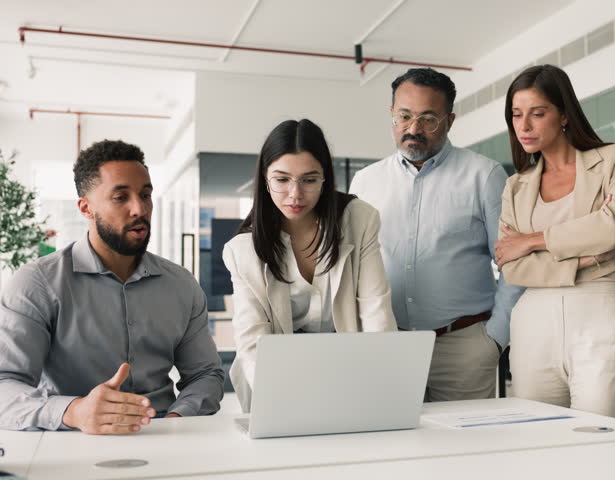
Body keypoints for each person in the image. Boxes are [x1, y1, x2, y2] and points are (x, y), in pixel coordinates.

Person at [0, 140, 224, 433]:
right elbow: (5, 386)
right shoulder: (36, 283)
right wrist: (74, 411)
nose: (139, 209)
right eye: (121, 197)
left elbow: (205, 375)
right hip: (68, 444)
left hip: (165, 441)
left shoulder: (181, 284)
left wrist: (177, 420)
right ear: (85, 208)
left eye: (146, 195)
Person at [350, 68, 524, 401]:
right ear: (392, 114)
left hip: (463, 347)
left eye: (428, 119)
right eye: (404, 116)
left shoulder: (484, 175)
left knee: (464, 451)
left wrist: (495, 338)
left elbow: (513, 263)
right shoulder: (365, 183)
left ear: (450, 120)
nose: (413, 129)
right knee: (395, 447)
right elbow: (354, 268)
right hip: (389, 347)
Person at [495, 65, 615, 418]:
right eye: (516, 115)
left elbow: (613, 231)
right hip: (533, 320)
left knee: (599, 434)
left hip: (599, 312)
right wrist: (588, 258)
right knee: (536, 438)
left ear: (564, 114)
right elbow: (512, 265)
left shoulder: (612, 159)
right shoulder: (515, 187)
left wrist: (533, 241)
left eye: (537, 113)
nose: (524, 126)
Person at [223, 119, 397, 412]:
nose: (295, 194)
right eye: (281, 180)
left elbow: (375, 312)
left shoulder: (359, 219)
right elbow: (253, 340)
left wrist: (380, 388)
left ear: (325, 179)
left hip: (349, 366)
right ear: (265, 181)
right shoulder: (242, 250)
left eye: (309, 179)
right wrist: (283, 400)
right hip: (275, 377)